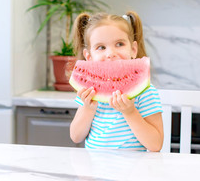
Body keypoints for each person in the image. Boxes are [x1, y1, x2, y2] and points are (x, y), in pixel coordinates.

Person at [70, 11, 163, 152]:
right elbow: (76, 137)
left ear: (133, 49)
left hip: (133, 169)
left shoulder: (146, 91)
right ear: (88, 57)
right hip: (95, 169)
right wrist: (88, 109)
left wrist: (130, 112)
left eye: (119, 44)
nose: (110, 53)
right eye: (101, 47)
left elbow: (156, 145)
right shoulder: (89, 93)